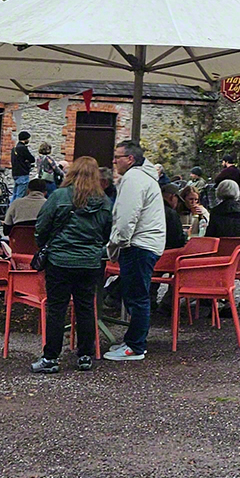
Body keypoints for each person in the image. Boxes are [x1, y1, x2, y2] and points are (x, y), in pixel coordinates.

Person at [31, 154, 113, 374]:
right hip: (89, 262)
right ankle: (85, 355)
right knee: (86, 307)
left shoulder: (59, 196)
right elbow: (106, 233)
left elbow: (42, 226)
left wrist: (46, 245)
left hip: (60, 259)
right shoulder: (104, 202)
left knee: (57, 309)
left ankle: (50, 357)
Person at [102, 140, 167, 362]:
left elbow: (126, 217)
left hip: (138, 245)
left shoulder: (134, 179)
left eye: (117, 157)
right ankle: (133, 341)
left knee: (136, 297)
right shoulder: (144, 178)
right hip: (144, 243)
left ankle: (135, 346)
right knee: (135, 295)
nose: (114, 161)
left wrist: (115, 244)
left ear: (130, 159)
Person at [11, 131, 35, 199]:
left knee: (15, 195)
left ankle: (11, 206)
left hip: (15, 173)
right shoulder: (23, 148)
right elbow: (32, 159)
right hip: (23, 173)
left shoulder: (15, 148)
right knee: (20, 196)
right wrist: (27, 161)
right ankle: (17, 206)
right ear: (25, 139)